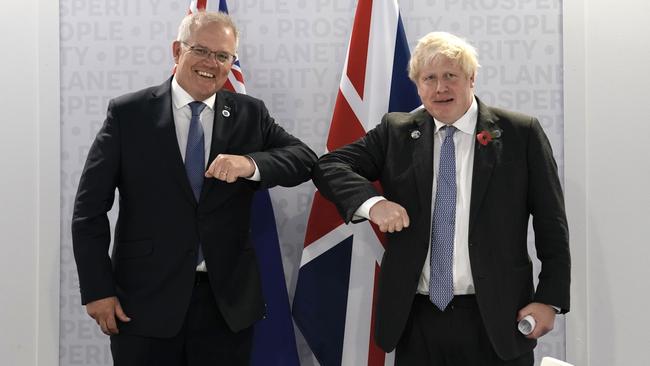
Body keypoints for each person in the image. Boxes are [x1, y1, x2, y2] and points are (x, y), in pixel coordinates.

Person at [71, 11, 316, 365]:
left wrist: (250, 164)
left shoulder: (250, 113)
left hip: (226, 307)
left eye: (222, 56)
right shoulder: (129, 114)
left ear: (232, 62)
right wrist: (97, 291)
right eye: (201, 50)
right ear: (176, 51)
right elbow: (89, 211)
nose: (211, 63)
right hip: (143, 303)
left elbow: (305, 160)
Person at [312, 31, 570, 365]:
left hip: (496, 318)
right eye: (429, 78)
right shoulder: (397, 132)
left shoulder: (520, 133)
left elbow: (553, 224)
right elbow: (329, 165)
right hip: (416, 318)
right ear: (417, 85)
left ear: (471, 79)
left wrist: (549, 300)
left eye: (450, 76)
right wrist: (374, 204)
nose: (439, 88)